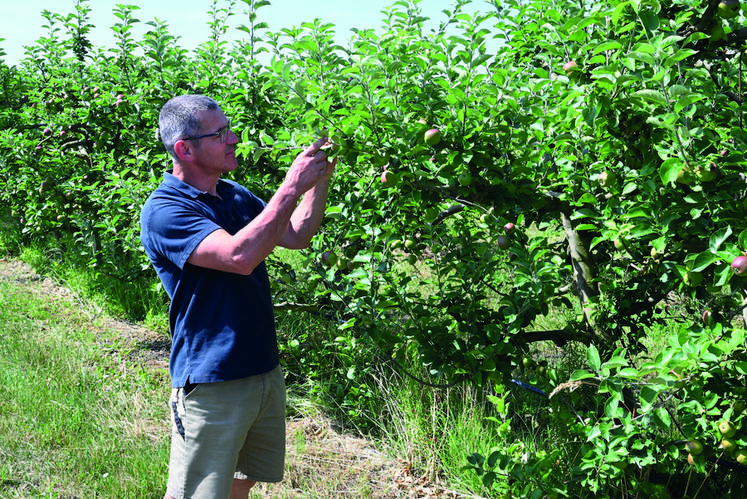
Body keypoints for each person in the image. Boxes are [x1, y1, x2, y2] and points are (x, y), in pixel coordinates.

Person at [139, 94, 336, 499]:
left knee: (240, 484)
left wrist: (318, 180)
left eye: (230, 128)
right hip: (213, 378)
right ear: (185, 149)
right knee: (198, 493)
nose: (233, 139)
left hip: (261, 368)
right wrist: (291, 184)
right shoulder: (165, 210)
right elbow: (239, 256)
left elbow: (296, 234)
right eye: (220, 133)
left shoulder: (234, 194)